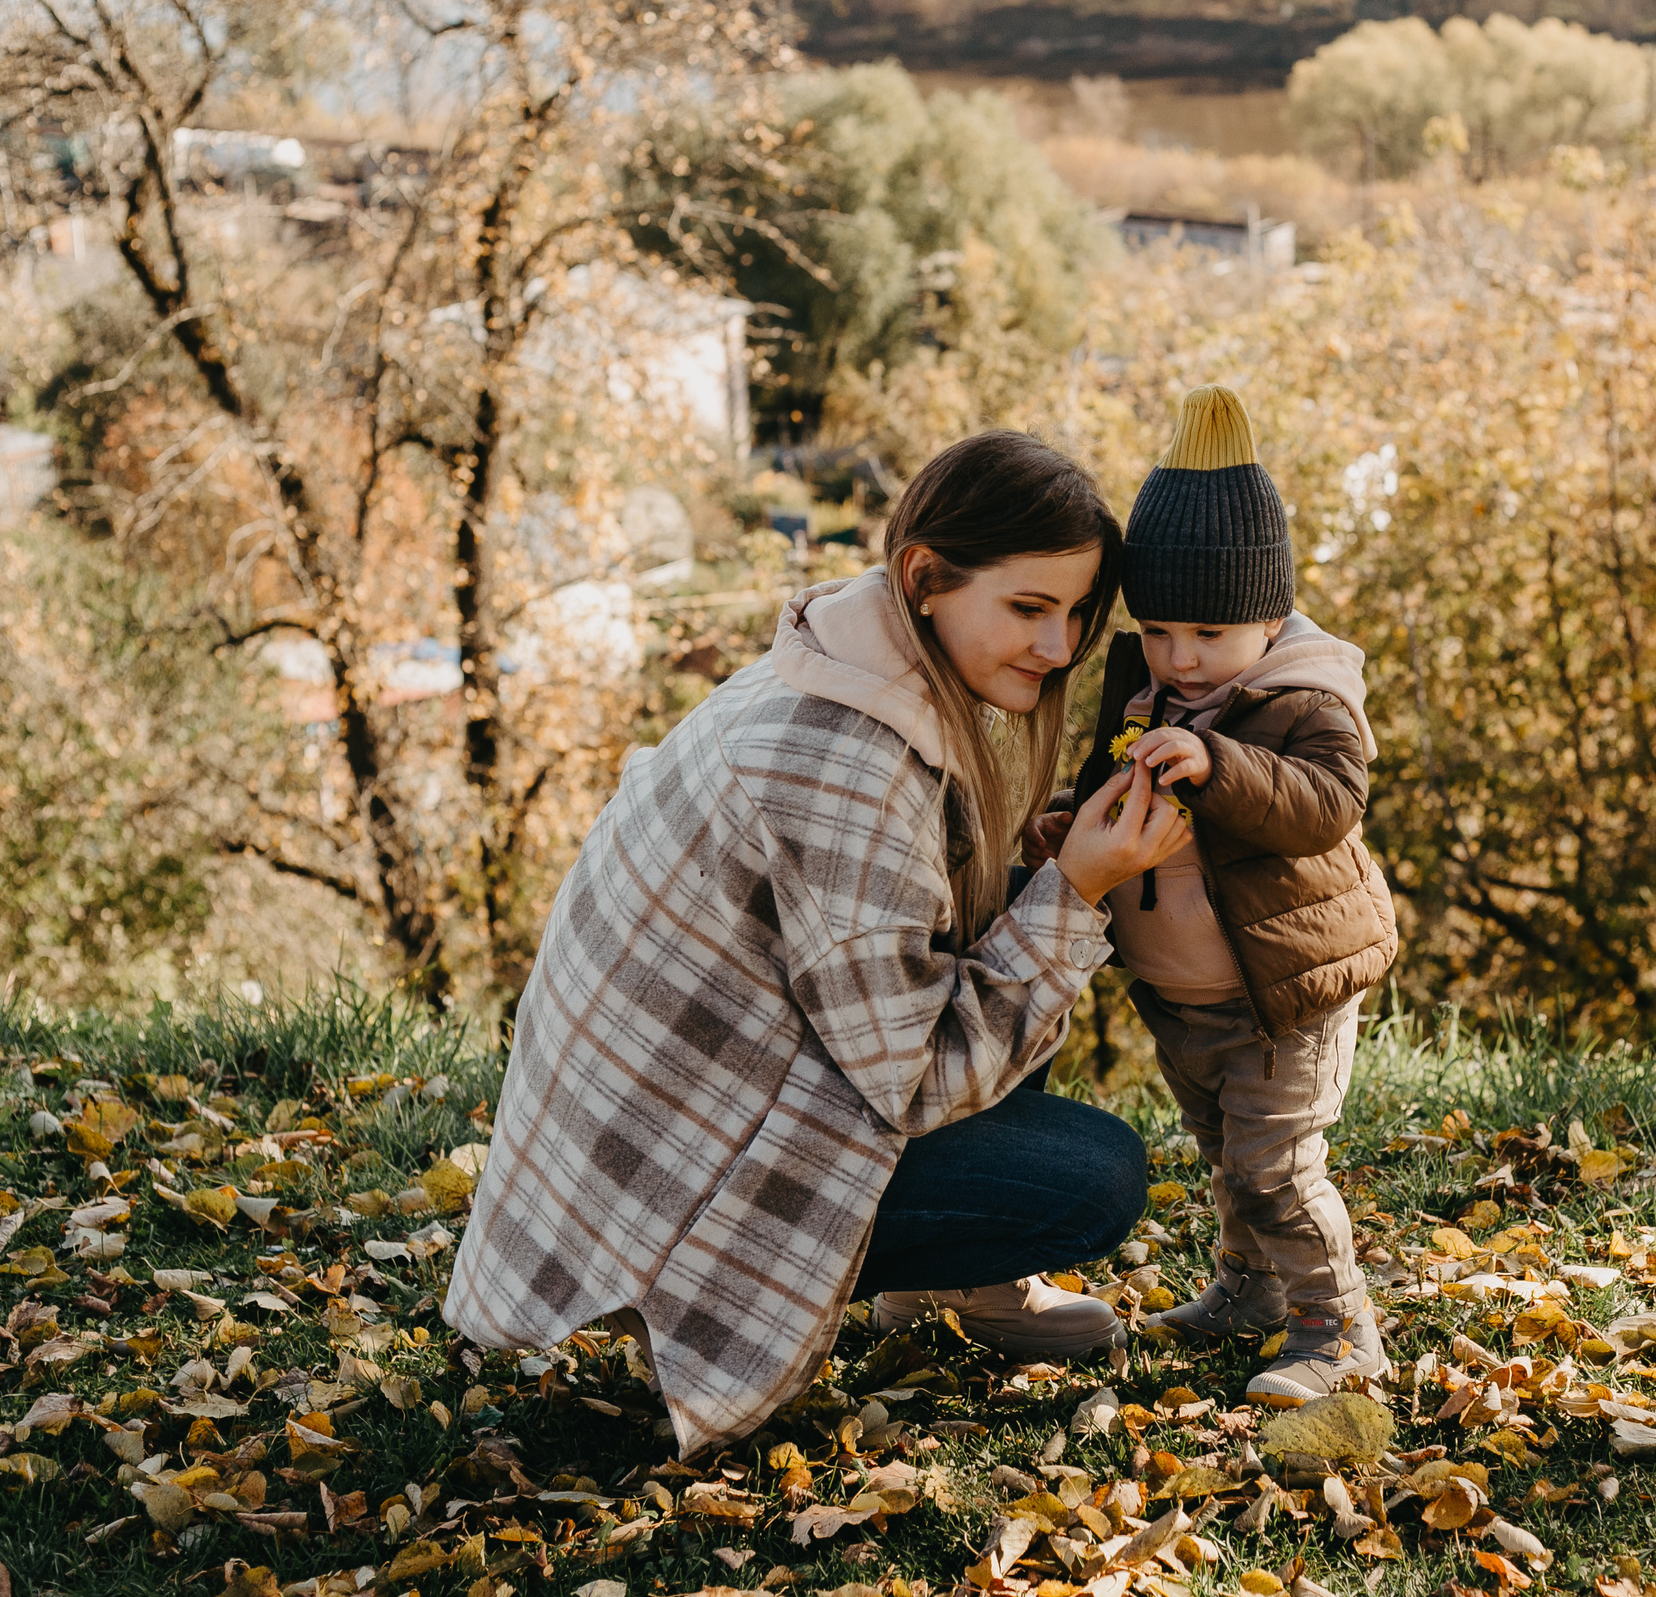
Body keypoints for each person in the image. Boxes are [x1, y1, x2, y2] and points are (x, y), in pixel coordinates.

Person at [445, 431, 1194, 1457]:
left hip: (663, 1128)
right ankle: (906, 1283)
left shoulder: (850, 656)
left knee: (1013, 905)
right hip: (659, 1204)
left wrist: (1034, 891)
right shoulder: (843, 762)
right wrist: (1078, 889)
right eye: (1028, 609)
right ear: (925, 577)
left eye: (1075, 614)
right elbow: (918, 1081)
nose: (1059, 648)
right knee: (1096, 1175)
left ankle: (951, 1286)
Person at [1029, 385, 1400, 1405]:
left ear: (1270, 618)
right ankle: (1250, 1291)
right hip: (1181, 994)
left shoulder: (1305, 698)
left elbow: (1326, 804)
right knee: (1228, 1158)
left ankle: (1340, 1332)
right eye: (1157, 630)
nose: (1180, 656)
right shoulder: (1149, 689)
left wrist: (1219, 761)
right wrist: (1069, 817)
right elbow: (1117, 782)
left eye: (1208, 633)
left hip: (1283, 989)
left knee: (1276, 1168)